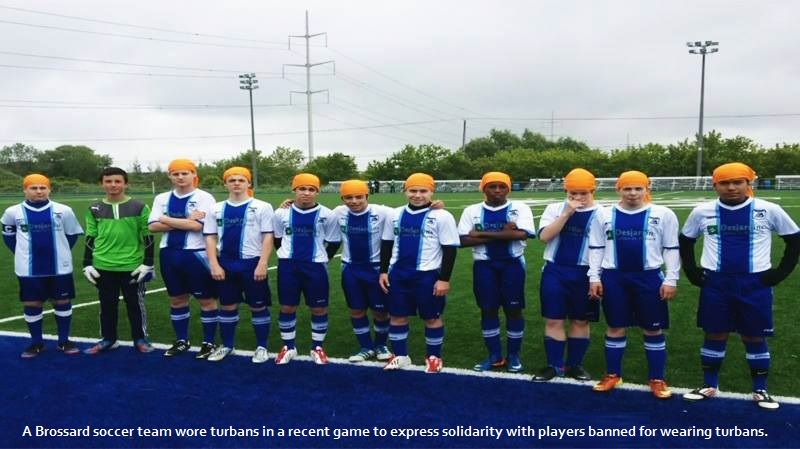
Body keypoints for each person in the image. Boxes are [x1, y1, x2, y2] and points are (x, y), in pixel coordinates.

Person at [680, 162, 799, 410]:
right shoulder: (702, 211)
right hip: (716, 283)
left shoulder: (768, 210)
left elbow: (794, 240)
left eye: (737, 182)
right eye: (725, 183)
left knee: (753, 335)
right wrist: (691, 271)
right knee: (715, 332)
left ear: (749, 183)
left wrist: (779, 274)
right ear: (715, 185)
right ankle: (709, 385)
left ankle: (760, 389)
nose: (731, 187)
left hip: (754, 283)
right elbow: (686, 241)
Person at [587, 170, 680, 399]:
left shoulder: (663, 214)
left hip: (648, 278)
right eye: (627, 188)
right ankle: (613, 374)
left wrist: (671, 278)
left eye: (638, 188)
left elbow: (671, 248)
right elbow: (596, 247)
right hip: (614, 277)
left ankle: (657, 378)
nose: (632, 193)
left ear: (647, 189)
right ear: (618, 189)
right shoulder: (604, 215)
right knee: (615, 327)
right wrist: (594, 277)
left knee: (652, 328)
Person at [379, 173, 460, 373]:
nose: (417, 195)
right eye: (413, 191)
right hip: (398, 274)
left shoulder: (442, 215)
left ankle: (433, 356)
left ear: (432, 192)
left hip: (427, 275)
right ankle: (400, 356)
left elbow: (450, 249)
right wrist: (383, 271)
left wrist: (444, 279)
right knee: (397, 316)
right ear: (405, 191)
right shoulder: (395, 214)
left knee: (431, 317)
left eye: (423, 191)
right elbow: (387, 243)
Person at [458, 172, 535, 373]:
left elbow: (523, 234)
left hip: (513, 265)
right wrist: (505, 234)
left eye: (502, 186)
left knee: (514, 310)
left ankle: (513, 355)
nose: (498, 191)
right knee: (488, 309)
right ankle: (494, 356)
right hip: (484, 266)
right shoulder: (472, 210)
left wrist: (481, 233)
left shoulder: (520, 208)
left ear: (509, 189)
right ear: (483, 188)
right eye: (492, 186)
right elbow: (462, 240)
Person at [532, 168, 602, 382]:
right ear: (566, 191)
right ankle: (554, 365)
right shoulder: (555, 208)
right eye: (573, 194)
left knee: (580, 321)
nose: (578, 198)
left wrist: (596, 277)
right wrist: (566, 214)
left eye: (583, 193)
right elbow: (544, 236)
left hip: (585, 272)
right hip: (555, 270)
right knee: (554, 319)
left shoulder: (603, 213)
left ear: (593, 190)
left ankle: (575, 365)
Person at [2, 174, 83, 358]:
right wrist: (24, 254)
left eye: (42, 187)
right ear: (25, 190)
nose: (39, 191)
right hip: (28, 269)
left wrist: (60, 251)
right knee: (32, 303)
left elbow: (71, 235)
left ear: (49, 189)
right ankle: (36, 343)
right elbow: (8, 237)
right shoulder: (12, 212)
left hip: (59, 267)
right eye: (33, 188)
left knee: (62, 301)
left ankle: (64, 341)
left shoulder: (64, 210)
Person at [148, 159, 219, 359]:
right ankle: (181, 340)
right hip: (169, 254)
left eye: (184, 173)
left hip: (195, 254)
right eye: (175, 174)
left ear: (193, 175)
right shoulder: (161, 198)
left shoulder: (205, 197)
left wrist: (165, 218)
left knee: (206, 300)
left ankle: (208, 342)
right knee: (177, 299)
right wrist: (187, 220)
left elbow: (198, 227)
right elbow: (152, 226)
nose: (180, 177)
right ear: (169, 176)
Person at [204, 167, 274, 363]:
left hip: (252, 263)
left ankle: (262, 346)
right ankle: (227, 345)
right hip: (225, 263)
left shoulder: (262, 206)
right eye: (232, 180)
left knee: (257, 306)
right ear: (225, 183)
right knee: (227, 306)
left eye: (241, 180)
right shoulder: (216, 208)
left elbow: (268, 235)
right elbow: (210, 237)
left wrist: (263, 263)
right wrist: (214, 264)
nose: (236, 183)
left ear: (248, 183)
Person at [82, 167, 155, 354]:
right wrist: (87, 263)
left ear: (125, 183)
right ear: (102, 183)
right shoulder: (94, 208)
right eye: (108, 181)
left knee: (135, 304)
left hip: (132, 265)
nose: (112, 185)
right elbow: (90, 237)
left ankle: (140, 338)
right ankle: (108, 339)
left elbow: (148, 236)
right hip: (103, 265)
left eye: (117, 181)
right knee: (107, 304)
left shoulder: (139, 207)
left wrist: (147, 263)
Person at [272, 173, 340, 365]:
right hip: (288, 266)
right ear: (294, 190)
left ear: (317, 192)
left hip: (315, 266)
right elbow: (277, 238)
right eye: (302, 189)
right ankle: (288, 346)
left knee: (318, 308)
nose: (306, 193)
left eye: (311, 189)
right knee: (287, 306)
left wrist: (322, 258)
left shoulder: (328, 214)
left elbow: (334, 241)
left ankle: (317, 347)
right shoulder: (281, 213)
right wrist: (286, 254)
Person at [328, 180, 393, 362]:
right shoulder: (338, 213)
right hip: (350, 269)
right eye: (348, 197)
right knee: (356, 310)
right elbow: (316, 214)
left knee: (380, 312)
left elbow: (409, 211)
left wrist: (433, 206)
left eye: (359, 197)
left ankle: (380, 345)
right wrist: (290, 204)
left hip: (376, 270)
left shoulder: (382, 212)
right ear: (342, 198)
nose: (354, 201)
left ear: (367, 196)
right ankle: (365, 346)